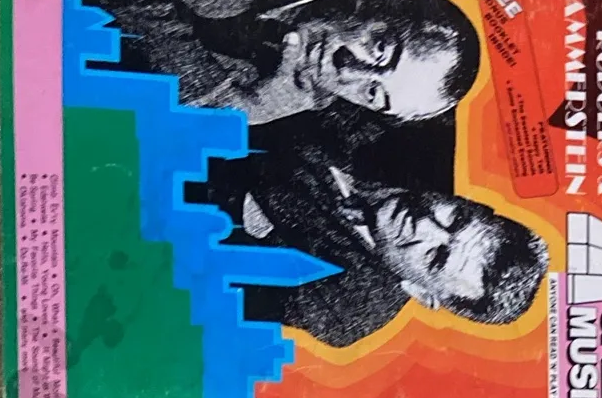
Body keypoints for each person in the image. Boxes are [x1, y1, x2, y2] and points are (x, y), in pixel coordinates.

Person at [197, 115, 549, 345]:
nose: (425, 224)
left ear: (419, 292)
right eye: (456, 219)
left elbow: (200, 277)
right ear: (475, 204)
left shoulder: (344, 310)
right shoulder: (423, 131)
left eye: (436, 257)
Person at [83, 0, 482, 127]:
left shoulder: (298, 92)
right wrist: (233, 103)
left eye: (373, 94)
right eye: (379, 48)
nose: (347, 69)